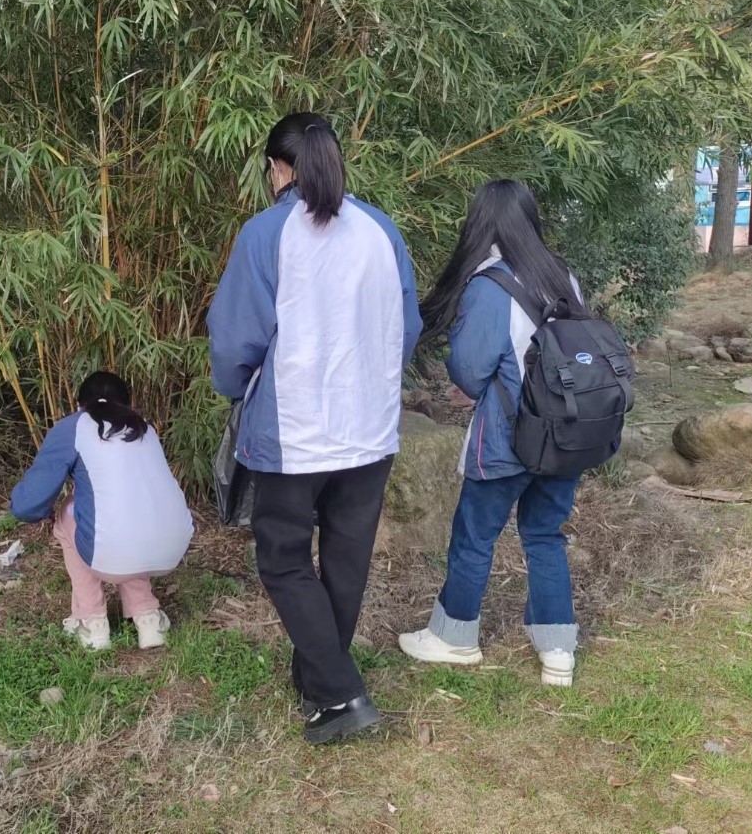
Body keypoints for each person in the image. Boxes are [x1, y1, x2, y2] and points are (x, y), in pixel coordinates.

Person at [208, 112, 421, 744]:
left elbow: (235, 339)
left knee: (282, 559)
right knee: (346, 561)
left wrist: (236, 388)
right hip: (371, 427)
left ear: (278, 169)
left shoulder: (265, 233)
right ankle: (318, 681)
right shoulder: (381, 228)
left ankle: (340, 693)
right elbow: (407, 327)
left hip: (294, 430)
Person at [398, 179, 587, 687]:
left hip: (510, 435)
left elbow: (470, 369)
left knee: (474, 535)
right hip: (566, 435)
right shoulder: (563, 275)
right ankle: (558, 650)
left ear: (482, 224)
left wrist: (467, 381)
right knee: (544, 535)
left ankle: (455, 637)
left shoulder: (490, 285)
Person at [10, 371, 193, 651]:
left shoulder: (74, 426)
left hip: (112, 552)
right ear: (128, 404)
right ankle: (148, 617)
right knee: (127, 510)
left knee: (68, 514)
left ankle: (92, 621)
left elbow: (29, 503)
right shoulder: (144, 428)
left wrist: (36, 511)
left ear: (80, 404)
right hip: (173, 545)